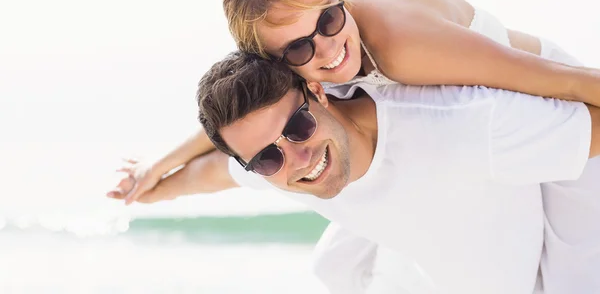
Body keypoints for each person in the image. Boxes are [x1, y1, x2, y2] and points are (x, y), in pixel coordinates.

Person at [110, 0, 600, 206]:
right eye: (300, 46)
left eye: (328, 21)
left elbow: (569, 81)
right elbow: (246, 126)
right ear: (276, 62)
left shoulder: (401, 45)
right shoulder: (308, 70)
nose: (326, 50)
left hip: (547, 99)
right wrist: (161, 164)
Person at [116, 50, 599, 294]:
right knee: (332, 267)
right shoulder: (277, 166)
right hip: (423, 228)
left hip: (542, 247)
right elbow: (209, 175)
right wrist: (151, 187)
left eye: (298, 125)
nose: (297, 160)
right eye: (266, 158)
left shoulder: (467, 126)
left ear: (319, 93)